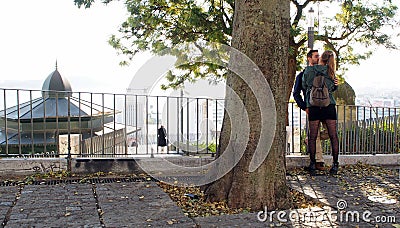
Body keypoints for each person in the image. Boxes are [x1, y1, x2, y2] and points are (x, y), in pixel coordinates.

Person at [302, 50, 339, 175]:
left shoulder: (309, 70)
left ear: (320, 58)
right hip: (328, 106)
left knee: (312, 137)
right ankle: (335, 165)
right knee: (333, 136)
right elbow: (332, 89)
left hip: (314, 106)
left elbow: (305, 85)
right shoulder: (331, 72)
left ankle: (313, 164)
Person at [293, 49, 325, 171]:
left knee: (330, 133)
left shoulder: (323, 73)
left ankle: (308, 140)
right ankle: (319, 161)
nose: (318, 58)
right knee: (315, 134)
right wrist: (304, 107)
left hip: (325, 107)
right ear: (309, 58)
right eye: (316, 56)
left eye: (319, 56)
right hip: (311, 108)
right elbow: (296, 93)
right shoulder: (302, 75)